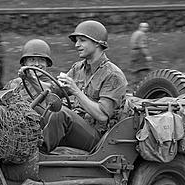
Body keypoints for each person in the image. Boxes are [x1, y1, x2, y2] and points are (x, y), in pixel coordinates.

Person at [41, 20, 127, 153]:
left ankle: (37, 155)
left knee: (61, 114)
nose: (76, 45)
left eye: (82, 40)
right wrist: (31, 79)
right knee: (41, 110)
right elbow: (54, 91)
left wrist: (76, 91)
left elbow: (103, 115)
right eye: (76, 41)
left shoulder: (113, 75)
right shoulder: (78, 68)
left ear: (98, 43)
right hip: (78, 126)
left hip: (99, 139)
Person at [129, 21, 153, 86]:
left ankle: (133, 83)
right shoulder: (142, 34)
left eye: (147, 27)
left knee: (135, 69)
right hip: (139, 53)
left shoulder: (135, 33)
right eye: (144, 27)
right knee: (143, 69)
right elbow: (142, 45)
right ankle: (142, 84)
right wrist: (147, 55)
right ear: (140, 27)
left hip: (133, 53)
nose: (146, 29)